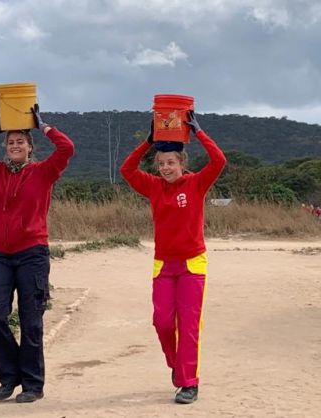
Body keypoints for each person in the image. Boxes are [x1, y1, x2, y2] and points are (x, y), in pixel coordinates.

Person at [0, 105, 74, 403]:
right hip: (1, 256)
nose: (15, 146)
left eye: (21, 141)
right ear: (5, 148)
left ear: (30, 147)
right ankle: (9, 378)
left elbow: (66, 148)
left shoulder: (44, 172)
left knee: (31, 320)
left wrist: (43, 126)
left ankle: (33, 384)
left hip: (33, 254)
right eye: (10, 142)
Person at [120, 111, 226, 404]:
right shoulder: (153, 186)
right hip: (163, 265)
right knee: (163, 322)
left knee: (189, 325)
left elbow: (219, 162)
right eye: (162, 164)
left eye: (171, 163)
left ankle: (189, 382)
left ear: (182, 164)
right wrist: (148, 142)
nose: (166, 168)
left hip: (193, 264)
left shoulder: (196, 184)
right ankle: (177, 367)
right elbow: (127, 171)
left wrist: (201, 133)